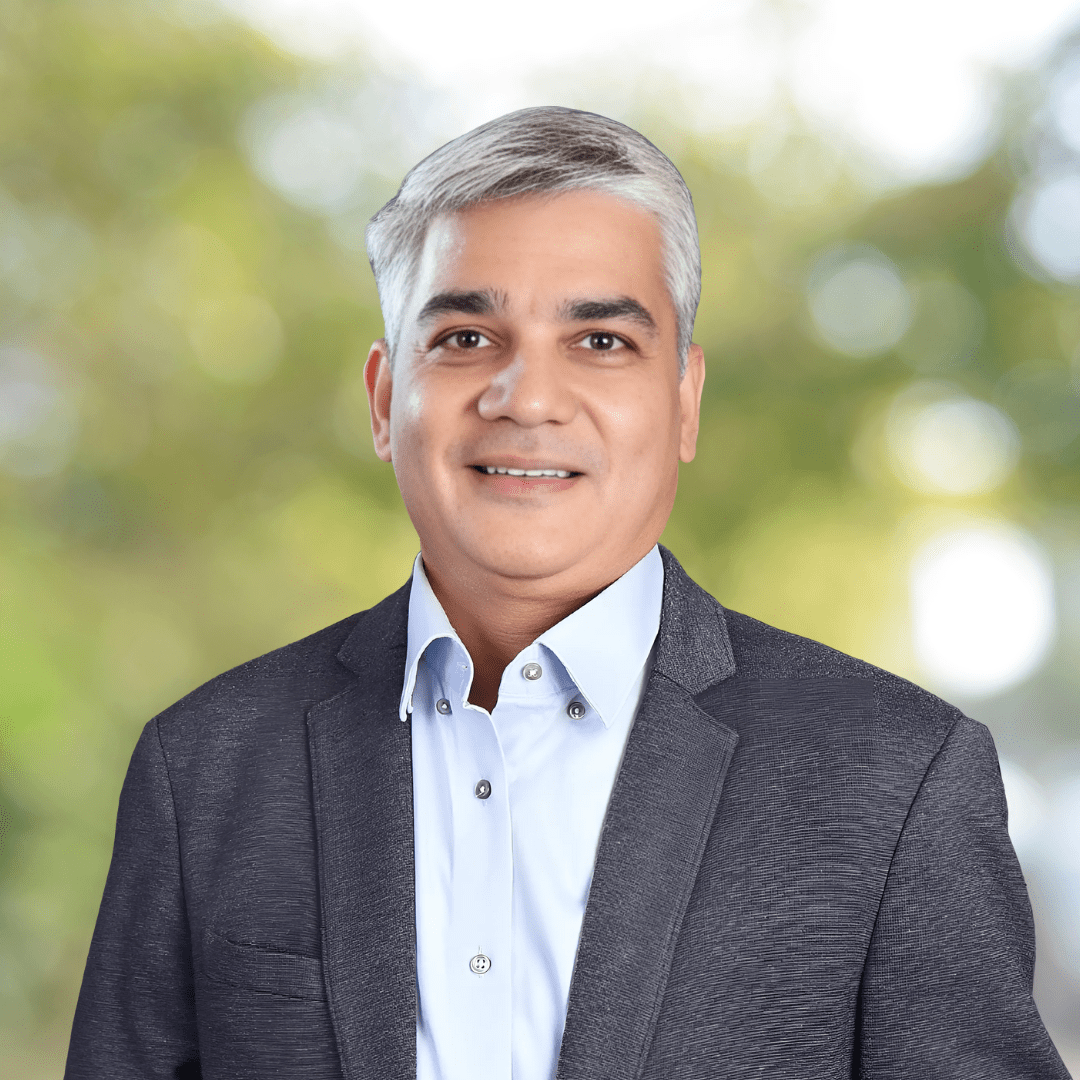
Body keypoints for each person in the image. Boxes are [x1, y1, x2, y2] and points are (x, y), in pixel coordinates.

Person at [65, 106, 1068, 1080]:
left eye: (600, 342)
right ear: (384, 398)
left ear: (685, 401)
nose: (528, 398)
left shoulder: (898, 779)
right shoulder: (205, 769)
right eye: (466, 338)